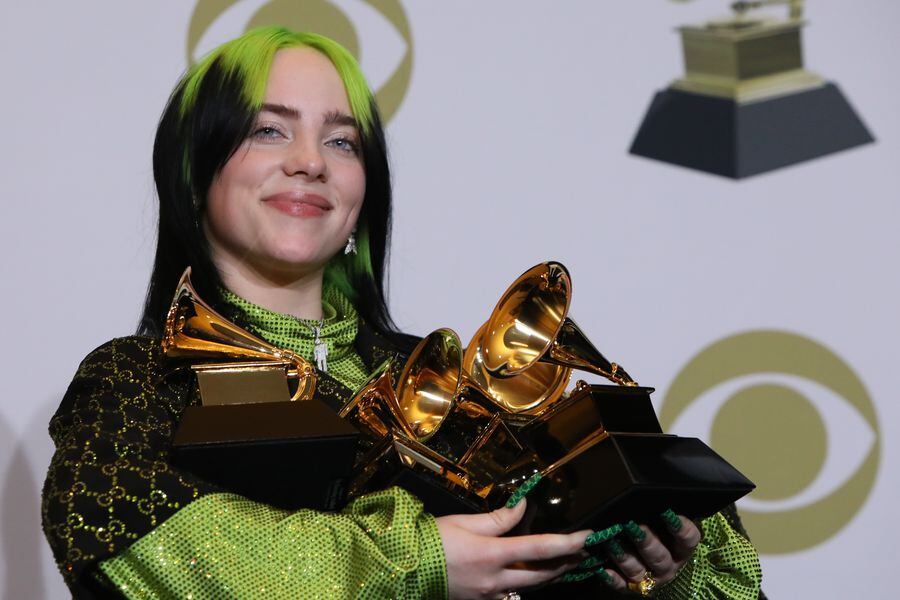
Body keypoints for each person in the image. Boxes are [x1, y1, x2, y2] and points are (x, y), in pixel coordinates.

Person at [41, 27, 762, 599]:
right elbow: (164, 554)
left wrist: (658, 570)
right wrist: (418, 562)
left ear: (364, 193)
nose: (309, 161)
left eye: (341, 140)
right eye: (269, 129)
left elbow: (734, 584)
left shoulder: (454, 380)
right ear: (194, 173)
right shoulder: (133, 380)